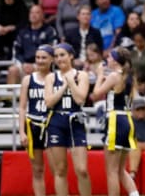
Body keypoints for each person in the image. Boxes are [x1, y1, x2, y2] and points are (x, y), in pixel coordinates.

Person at [91, 49, 140, 196]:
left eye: (110, 57)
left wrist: (99, 75)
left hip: (115, 120)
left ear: (116, 61)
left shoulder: (114, 76)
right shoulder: (129, 77)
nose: (107, 60)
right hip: (127, 119)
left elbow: (96, 94)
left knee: (111, 170)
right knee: (120, 169)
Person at [44, 43, 89, 196]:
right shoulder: (51, 77)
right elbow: (49, 102)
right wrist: (63, 87)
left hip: (75, 122)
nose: (59, 59)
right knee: (60, 169)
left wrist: (70, 82)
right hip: (56, 122)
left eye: (62, 55)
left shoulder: (81, 75)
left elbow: (80, 99)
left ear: (71, 56)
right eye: (56, 56)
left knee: (82, 169)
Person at [19, 46, 55, 196]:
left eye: (44, 57)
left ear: (52, 59)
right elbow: (22, 107)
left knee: (57, 169)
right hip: (33, 125)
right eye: (38, 57)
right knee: (37, 169)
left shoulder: (57, 78)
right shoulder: (28, 79)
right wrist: (21, 132)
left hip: (52, 125)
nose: (40, 61)